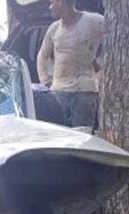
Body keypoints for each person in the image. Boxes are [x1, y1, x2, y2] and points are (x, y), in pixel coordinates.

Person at [36, 0, 105, 128]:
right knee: (60, 137)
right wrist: (45, 81)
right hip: (58, 94)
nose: (50, 7)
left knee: (81, 137)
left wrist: (100, 63)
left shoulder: (93, 21)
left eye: (52, 3)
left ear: (61, 2)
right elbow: (42, 56)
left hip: (84, 93)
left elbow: (116, 35)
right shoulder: (54, 28)